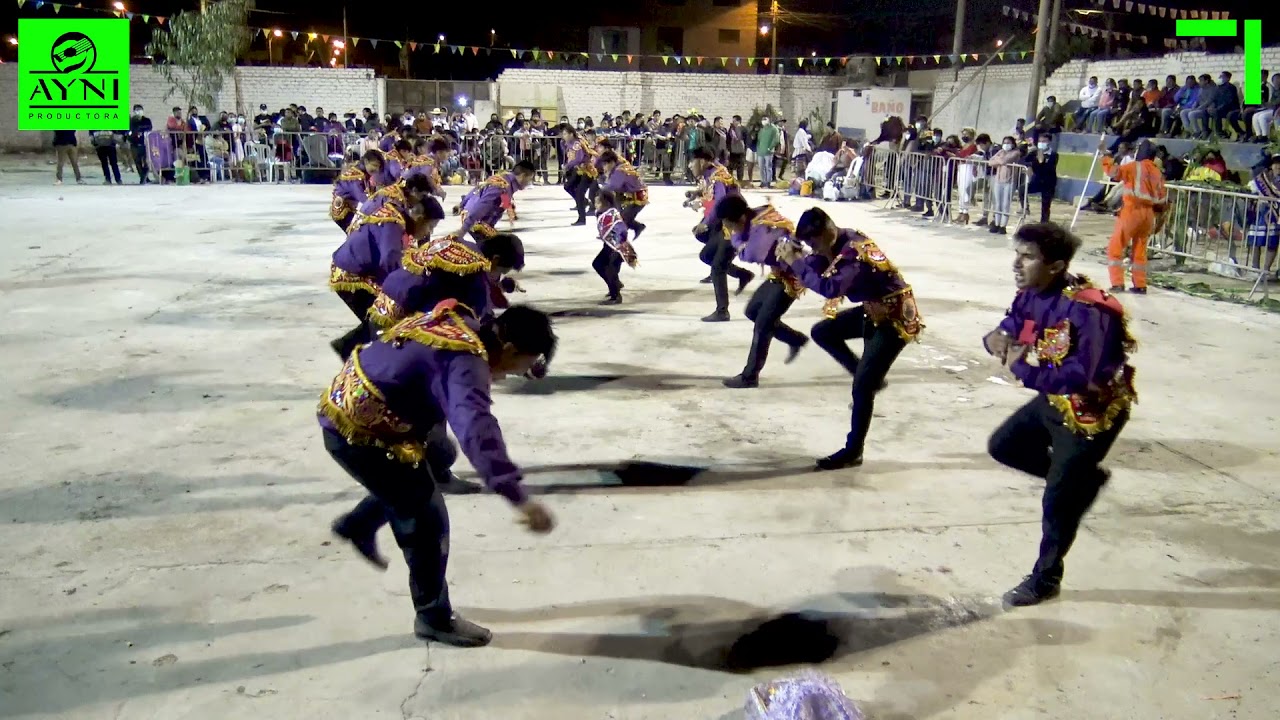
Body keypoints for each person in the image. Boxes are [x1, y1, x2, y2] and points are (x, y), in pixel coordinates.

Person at [321, 300, 557, 646]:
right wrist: (518, 498)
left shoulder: (467, 321)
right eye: (519, 366)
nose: (511, 375)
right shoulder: (466, 363)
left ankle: (358, 524)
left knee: (439, 453)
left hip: (361, 400)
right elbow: (477, 429)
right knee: (427, 519)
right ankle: (433, 617)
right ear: (508, 348)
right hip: (360, 434)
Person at [982, 223, 1137, 607]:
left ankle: (1046, 577)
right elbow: (1015, 325)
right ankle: (1081, 482)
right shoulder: (1032, 293)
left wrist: (1022, 370)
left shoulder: (1090, 310)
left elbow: (1084, 376)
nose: (1016, 264)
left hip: (1090, 413)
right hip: (1054, 398)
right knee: (1004, 446)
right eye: (1017, 254)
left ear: (1056, 266)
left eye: (1028, 257)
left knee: (1056, 501)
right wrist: (996, 337)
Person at [775, 208, 922, 471]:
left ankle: (854, 450)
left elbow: (830, 287)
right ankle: (867, 376)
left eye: (813, 242)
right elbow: (818, 266)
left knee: (862, 388)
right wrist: (793, 257)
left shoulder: (854, 251)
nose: (813, 248)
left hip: (895, 317)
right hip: (872, 309)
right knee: (823, 332)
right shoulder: (836, 244)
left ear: (828, 232)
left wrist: (796, 262)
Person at [329, 195, 444, 360]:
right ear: (419, 218)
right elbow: (390, 261)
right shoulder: (394, 224)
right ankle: (373, 360)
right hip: (350, 274)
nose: (430, 232)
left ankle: (346, 346)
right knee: (385, 317)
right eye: (430, 226)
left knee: (380, 318)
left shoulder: (404, 226)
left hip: (365, 271)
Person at [716, 196, 809, 388]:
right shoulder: (754, 217)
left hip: (793, 276)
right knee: (752, 311)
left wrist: (738, 239)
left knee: (763, 323)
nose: (730, 230)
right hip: (779, 273)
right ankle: (795, 339)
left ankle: (750, 376)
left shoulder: (764, 229)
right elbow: (740, 244)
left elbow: (747, 254)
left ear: (739, 219)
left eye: (730, 225)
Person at [369, 233, 526, 331]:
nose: (497, 277)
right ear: (495, 259)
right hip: (399, 318)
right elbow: (483, 317)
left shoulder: (455, 241)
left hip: (382, 300)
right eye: (501, 271)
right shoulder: (475, 270)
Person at [690, 147, 756, 321]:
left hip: (734, 227)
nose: (690, 165)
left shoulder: (718, 176)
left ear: (702, 161)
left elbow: (719, 201)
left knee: (717, 267)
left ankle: (722, 311)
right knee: (706, 255)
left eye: (692, 161)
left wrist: (705, 223)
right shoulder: (713, 172)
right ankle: (742, 274)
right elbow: (710, 193)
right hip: (725, 225)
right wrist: (696, 195)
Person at [1100, 138, 1167, 294]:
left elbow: (1113, 172)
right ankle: (1140, 285)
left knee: (1116, 246)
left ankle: (1117, 283)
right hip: (1149, 214)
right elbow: (1162, 198)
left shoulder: (1133, 167)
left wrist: (1105, 156)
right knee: (1140, 250)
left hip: (1132, 211)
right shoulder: (1157, 172)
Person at [453, 161, 537, 243]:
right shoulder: (501, 186)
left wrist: (462, 204)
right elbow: (482, 205)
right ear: (523, 176)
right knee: (498, 251)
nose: (529, 182)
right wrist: (463, 230)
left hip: (479, 220)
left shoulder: (504, 180)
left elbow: (479, 189)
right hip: (476, 221)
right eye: (529, 179)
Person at [593, 190, 639, 305]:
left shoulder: (611, 213)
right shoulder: (603, 212)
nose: (596, 199)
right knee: (601, 265)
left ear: (604, 201)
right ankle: (615, 286)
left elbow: (621, 229)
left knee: (604, 266)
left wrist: (617, 241)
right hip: (610, 245)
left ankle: (616, 296)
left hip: (617, 247)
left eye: (598, 197)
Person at [597, 149, 648, 239]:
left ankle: (615, 237)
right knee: (623, 216)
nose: (604, 167)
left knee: (622, 219)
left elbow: (613, 186)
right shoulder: (620, 164)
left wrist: (603, 186)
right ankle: (637, 227)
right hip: (629, 195)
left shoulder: (619, 171)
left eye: (605, 164)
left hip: (637, 198)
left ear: (611, 162)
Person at [331, 150, 386, 231]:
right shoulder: (356, 176)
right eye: (374, 165)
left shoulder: (364, 172)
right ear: (366, 161)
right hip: (345, 211)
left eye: (379, 167)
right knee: (361, 232)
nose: (376, 169)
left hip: (354, 208)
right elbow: (363, 199)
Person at [1245, 155, 1280, 274]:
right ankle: (1254, 268)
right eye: (1276, 163)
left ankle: (1266, 270)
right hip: (1260, 213)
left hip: (1275, 215)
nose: (1278, 166)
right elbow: (1251, 188)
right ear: (1271, 165)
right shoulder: (1262, 178)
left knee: (1272, 242)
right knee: (1256, 240)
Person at [560, 126, 598, 225]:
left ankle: (582, 219)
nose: (563, 136)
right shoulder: (570, 143)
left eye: (565, 134)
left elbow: (578, 158)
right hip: (579, 169)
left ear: (571, 134)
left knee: (580, 193)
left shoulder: (577, 143)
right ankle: (584, 202)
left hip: (587, 170)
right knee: (568, 186)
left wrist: (567, 166)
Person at [1026, 135, 1059, 224]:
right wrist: (1029, 165)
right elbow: (1025, 160)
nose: (1041, 143)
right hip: (1037, 181)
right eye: (1040, 141)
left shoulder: (1054, 155)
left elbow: (1048, 168)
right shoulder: (1034, 153)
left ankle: (1044, 223)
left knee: (1045, 204)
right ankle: (1025, 208)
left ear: (1049, 142)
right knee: (1023, 189)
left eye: (1044, 141)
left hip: (1048, 182)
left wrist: (1041, 161)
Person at [127, 104, 152, 185]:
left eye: (140, 109)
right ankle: (142, 178)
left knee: (146, 162)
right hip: (134, 144)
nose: (138, 111)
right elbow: (129, 131)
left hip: (145, 144)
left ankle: (145, 176)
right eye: (136, 110)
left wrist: (141, 130)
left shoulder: (146, 120)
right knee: (137, 162)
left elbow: (149, 128)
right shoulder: (131, 121)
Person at [755, 116, 780, 187]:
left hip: (768, 152)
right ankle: (763, 181)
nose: (763, 121)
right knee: (761, 167)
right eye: (762, 120)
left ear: (769, 120)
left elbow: (776, 139)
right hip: (760, 152)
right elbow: (759, 140)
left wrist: (770, 147)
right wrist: (758, 149)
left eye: (765, 119)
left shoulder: (774, 129)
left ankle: (768, 182)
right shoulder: (762, 130)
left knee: (768, 167)